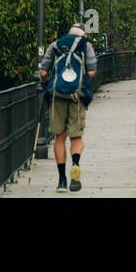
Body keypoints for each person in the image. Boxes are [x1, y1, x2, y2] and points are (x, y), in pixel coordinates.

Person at [37, 22, 97, 193]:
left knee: (59, 138)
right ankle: (76, 164)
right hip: (77, 97)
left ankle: (62, 181)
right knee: (76, 137)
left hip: (57, 96)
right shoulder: (86, 46)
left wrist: (44, 83)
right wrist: (82, 83)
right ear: (83, 34)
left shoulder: (55, 45)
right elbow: (92, 72)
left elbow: (43, 72)